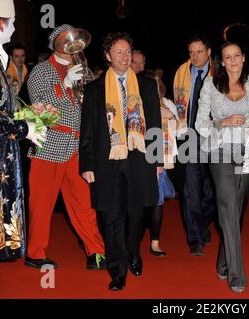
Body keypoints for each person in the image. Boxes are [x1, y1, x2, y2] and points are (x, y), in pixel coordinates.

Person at [79, 32, 161, 290]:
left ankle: (133, 252)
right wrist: (87, 165)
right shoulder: (94, 89)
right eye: (119, 52)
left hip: (140, 159)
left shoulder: (147, 85)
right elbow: (88, 129)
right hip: (107, 161)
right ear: (107, 56)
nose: (125, 57)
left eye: (128, 52)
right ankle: (118, 270)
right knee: (111, 215)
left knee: (136, 214)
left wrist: (157, 159)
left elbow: (156, 125)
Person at [0, 0, 46, 299]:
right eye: (14, 22)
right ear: (1, 23)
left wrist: (25, 116)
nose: (16, 27)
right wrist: (25, 129)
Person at [25, 24, 105, 270]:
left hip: (78, 147)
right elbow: (40, 105)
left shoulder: (83, 69)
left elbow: (95, 102)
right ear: (55, 45)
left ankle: (96, 252)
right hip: (49, 145)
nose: (74, 47)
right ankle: (35, 254)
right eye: (68, 43)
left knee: (85, 205)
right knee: (41, 205)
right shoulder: (41, 71)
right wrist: (66, 84)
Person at [195, 41, 249, 293]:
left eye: (237, 56)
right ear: (222, 61)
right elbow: (199, 124)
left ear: (243, 57)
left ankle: (223, 261)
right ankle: (237, 275)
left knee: (236, 210)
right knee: (227, 204)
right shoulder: (211, 84)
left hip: (247, 151)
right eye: (228, 57)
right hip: (220, 151)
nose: (233, 61)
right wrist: (221, 122)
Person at [173, 34, 217, 256]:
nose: (195, 56)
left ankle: (203, 222)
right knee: (190, 190)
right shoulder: (182, 72)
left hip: (214, 139)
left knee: (212, 193)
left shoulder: (219, 73)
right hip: (188, 136)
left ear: (209, 52)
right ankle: (195, 239)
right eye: (191, 52)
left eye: (199, 52)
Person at [145, 75, 178, 257]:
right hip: (139, 156)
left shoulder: (166, 104)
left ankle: (155, 242)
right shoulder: (137, 104)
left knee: (157, 200)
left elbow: (178, 128)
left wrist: (170, 115)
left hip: (161, 156)